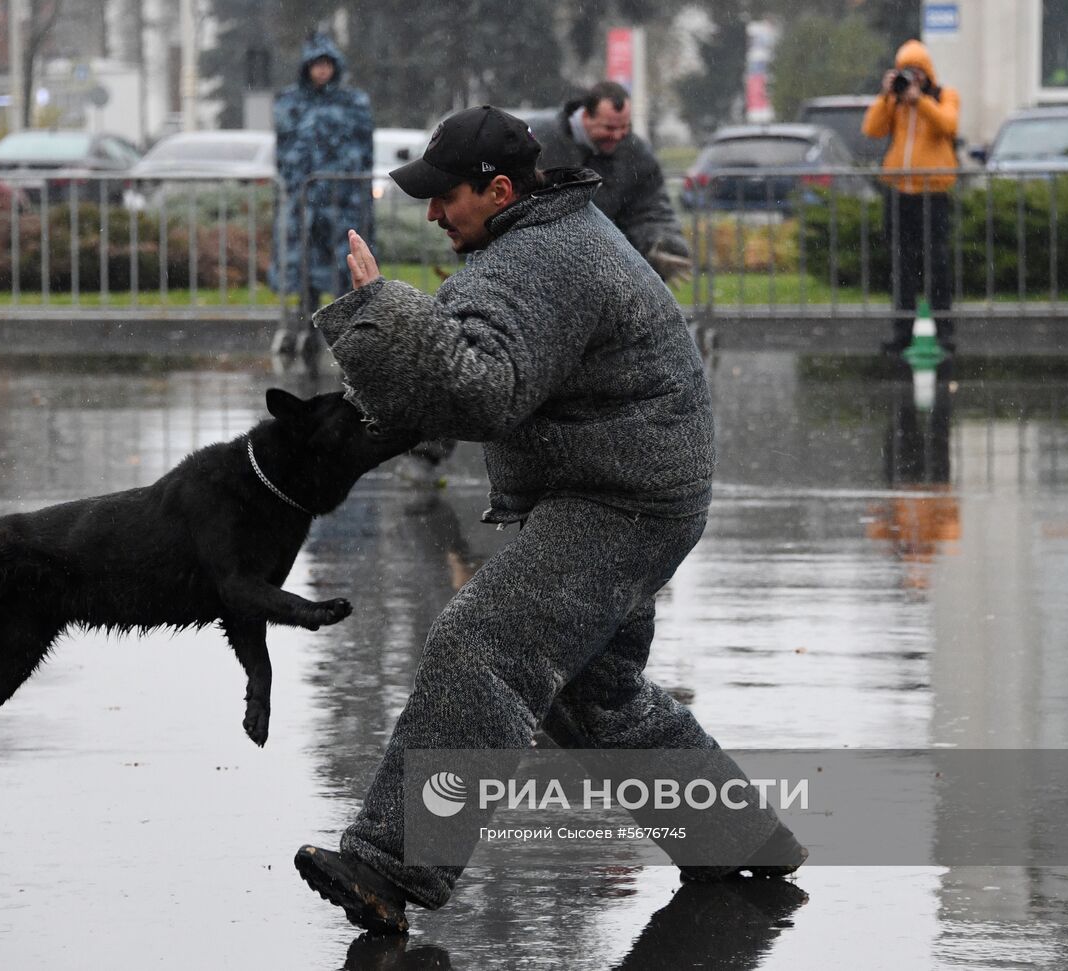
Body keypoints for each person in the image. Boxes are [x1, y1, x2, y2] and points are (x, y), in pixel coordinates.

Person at [293, 106, 805, 934]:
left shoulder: (545, 255)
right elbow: (467, 358)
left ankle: (390, 863)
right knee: (593, 696)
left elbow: (478, 390)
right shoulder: (537, 238)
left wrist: (378, 312)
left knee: (485, 641)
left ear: (497, 190)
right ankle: (740, 833)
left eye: (443, 197)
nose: (431, 213)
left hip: (622, 497)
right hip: (635, 484)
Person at [270, 32, 374, 361]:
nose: (322, 71)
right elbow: (286, 149)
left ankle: (347, 335)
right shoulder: (290, 101)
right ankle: (306, 328)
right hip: (304, 201)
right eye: (316, 65)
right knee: (302, 266)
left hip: (344, 202)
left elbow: (362, 149)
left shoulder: (353, 102)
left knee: (344, 266)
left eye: (327, 65)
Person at [528, 80, 692, 283]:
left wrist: (660, 243)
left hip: (601, 273)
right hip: (540, 268)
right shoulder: (537, 141)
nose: (617, 136)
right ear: (586, 115)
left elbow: (649, 209)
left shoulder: (635, 153)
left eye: (624, 127)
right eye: (609, 127)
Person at [862, 39, 960, 354]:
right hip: (900, 193)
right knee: (902, 264)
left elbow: (949, 125)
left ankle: (945, 331)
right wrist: (886, 96)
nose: (912, 79)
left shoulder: (944, 96)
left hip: (933, 193)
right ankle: (902, 331)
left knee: (937, 263)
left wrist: (921, 101)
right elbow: (872, 129)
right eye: (907, 72)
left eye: (917, 72)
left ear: (927, 72)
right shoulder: (896, 102)